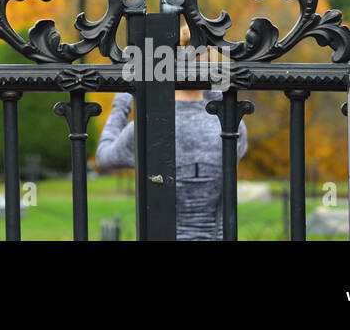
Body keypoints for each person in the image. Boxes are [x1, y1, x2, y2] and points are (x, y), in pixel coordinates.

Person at [95, 30, 249, 241]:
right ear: (205, 67)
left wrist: (124, 98)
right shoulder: (231, 124)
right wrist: (213, 83)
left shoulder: (148, 126)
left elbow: (104, 157)